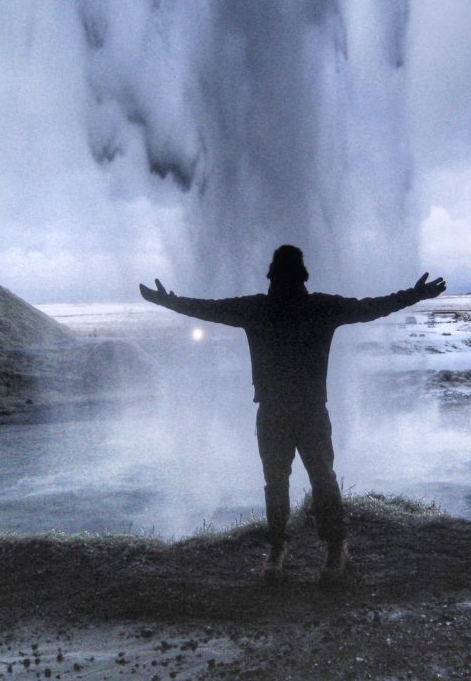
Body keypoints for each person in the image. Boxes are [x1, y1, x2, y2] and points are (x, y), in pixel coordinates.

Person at [139, 245, 445, 584]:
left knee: (285, 481)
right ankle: (327, 547)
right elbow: (372, 308)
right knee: (317, 478)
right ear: (303, 275)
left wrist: (170, 301)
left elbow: (208, 309)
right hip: (302, 409)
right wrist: (415, 295)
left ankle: (296, 549)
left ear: (271, 274)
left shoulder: (261, 308)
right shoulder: (315, 307)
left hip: (279, 410)